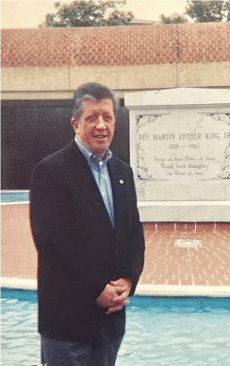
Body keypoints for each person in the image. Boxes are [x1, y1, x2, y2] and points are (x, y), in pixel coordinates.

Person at [30, 82, 146, 366]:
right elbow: (53, 243)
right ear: (75, 123)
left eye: (107, 117)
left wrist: (129, 280)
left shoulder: (123, 172)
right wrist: (97, 289)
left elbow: (134, 233)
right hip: (68, 324)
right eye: (92, 117)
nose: (101, 125)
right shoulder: (51, 171)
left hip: (109, 323)